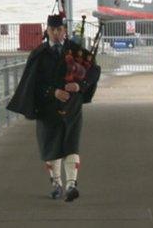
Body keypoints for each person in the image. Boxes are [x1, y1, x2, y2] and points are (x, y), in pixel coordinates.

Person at [7, 14, 101, 202]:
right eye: (53, 30)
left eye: (60, 29)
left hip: (71, 105)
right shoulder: (39, 54)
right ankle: (57, 183)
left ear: (65, 31)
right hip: (47, 107)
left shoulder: (76, 51)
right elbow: (32, 83)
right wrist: (53, 92)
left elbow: (93, 71)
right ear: (47, 31)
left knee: (70, 143)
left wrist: (80, 86)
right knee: (51, 145)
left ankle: (71, 185)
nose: (57, 33)